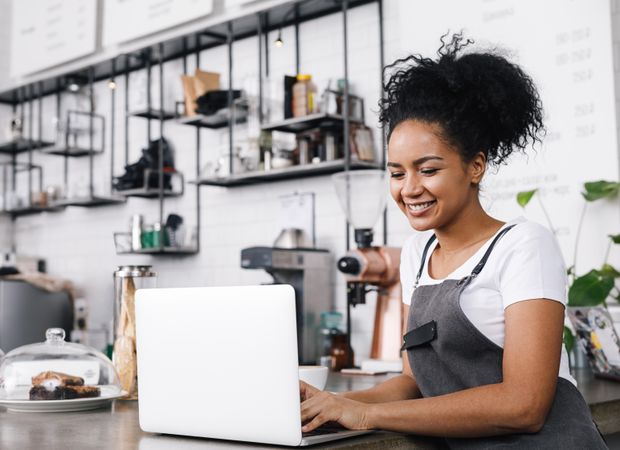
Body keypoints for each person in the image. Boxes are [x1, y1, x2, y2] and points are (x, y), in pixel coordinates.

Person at [300, 34, 607, 448]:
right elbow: (412, 383)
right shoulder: (416, 254)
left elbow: (524, 405)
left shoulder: (523, 246)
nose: (409, 189)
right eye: (396, 173)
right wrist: (335, 402)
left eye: (427, 170)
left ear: (475, 165)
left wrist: (367, 413)